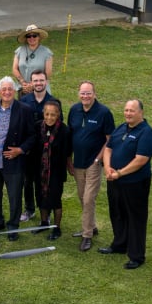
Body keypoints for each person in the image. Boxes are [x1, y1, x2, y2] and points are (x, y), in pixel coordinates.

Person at [100, 99, 152, 269]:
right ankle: (119, 244)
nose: (128, 113)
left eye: (132, 111)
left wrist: (120, 173)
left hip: (135, 183)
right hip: (115, 180)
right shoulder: (121, 128)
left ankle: (136, 256)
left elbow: (141, 160)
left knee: (135, 218)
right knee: (117, 213)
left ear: (141, 112)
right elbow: (108, 148)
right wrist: (108, 168)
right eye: (126, 110)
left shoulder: (146, 132)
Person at [0, 77, 35, 240]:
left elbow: (32, 136)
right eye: (4, 89)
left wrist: (20, 150)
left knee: (14, 196)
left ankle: (13, 227)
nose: (7, 92)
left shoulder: (24, 110)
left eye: (10, 89)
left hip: (14, 162)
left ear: (15, 91)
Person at [68, 80, 115, 251]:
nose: (85, 96)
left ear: (94, 94)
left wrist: (98, 159)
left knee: (88, 199)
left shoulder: (104, 113)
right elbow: (70, 135)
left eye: (88, 93)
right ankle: (92, 226)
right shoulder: (74, 110)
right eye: (83, 93)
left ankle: (87, 235)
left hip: (94, 162)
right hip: (78, 162)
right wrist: (69, 159)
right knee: (82, 196)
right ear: (78, 94)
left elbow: (110, 139)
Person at [19, 69, 56, 222]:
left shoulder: (53, 102)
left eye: (41, 80)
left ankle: (45, 212)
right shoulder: (24, 101)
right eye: (35, 80)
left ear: (46, 82)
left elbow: (58, 126)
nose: (39, 83)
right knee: (28, 181)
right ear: (31, 82)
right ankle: (29, 209)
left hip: (46, 149)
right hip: (29, 149)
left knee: (44, 182)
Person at [36, 100, 70, 241]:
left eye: (53, 115)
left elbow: (67, 152)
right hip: (40, 170)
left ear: (58, 115)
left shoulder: (64, 130)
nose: (49, 117)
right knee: (41, 196)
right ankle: (44, 222)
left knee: (55, 199)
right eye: (47, 114)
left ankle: (56, 227)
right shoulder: (38, 127)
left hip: (56, 172)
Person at [12, 24, 53, 91]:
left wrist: (32, 85)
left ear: (39, 37)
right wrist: (22, 82)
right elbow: (15, 69)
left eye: (34, 35)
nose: (31, 38)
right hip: (23, 88)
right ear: (26, 38)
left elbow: (47, 73)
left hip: (40, 88)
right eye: (28, 36)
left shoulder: (46, 52)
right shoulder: (19, 50)